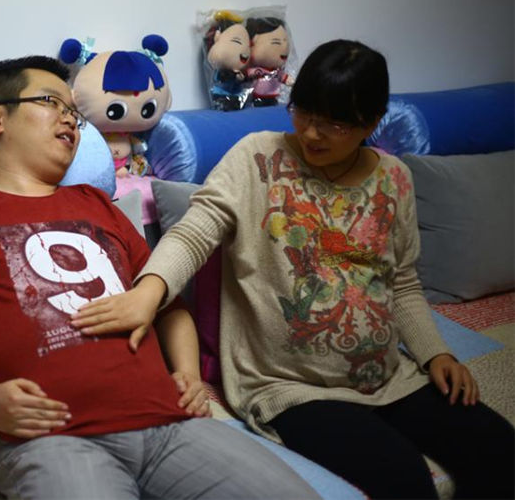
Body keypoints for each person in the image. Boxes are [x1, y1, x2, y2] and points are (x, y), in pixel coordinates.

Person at [75, 39, 515, 500]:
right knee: (405, 478)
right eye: (303, 112)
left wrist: (435, 354)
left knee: (499, 449)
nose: (311, 134)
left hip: (388, 375)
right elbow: (194, 232)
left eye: (335, 124)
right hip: (290, 387)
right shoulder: (257, 158)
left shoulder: (394, 179)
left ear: (371, 122)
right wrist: (148, 293)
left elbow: (401, 283)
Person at [0, 55, 321, 499]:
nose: (70, 119)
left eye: (74, 111)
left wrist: (187, 375)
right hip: (51, 438)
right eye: (51, 102)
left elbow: (167, 306)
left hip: (171, 425)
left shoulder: (97, 204)